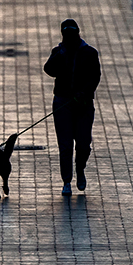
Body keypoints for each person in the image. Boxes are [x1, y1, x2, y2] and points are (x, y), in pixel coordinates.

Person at [43, 19, 101, 196]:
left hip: (83, 104)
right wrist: (60, 54)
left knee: (83, 144)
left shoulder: (89, 53)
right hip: (63, 103)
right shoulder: (58, 52)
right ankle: (66, 181)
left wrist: (84, 92)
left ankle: (80, 168)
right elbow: (49, 70)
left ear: (78, 34)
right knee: (66, 146)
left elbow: (95, 76)